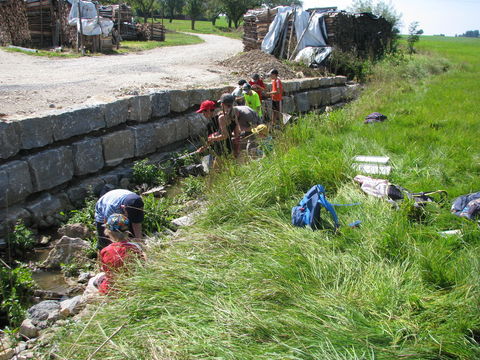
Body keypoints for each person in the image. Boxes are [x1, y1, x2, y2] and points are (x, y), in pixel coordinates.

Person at [98, 213, 144, 294]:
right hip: (132, 285)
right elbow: (142, 264)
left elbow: (104, 269)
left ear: (108, 232)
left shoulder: (105, 250)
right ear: (127, 232)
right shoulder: (135, 247)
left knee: (98, 280)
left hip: (112, 288)